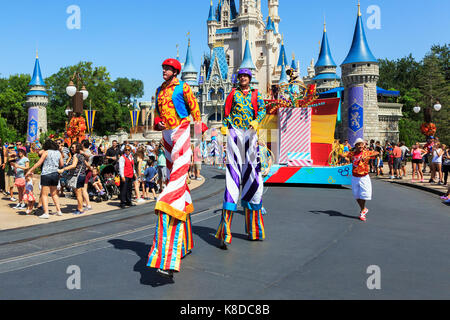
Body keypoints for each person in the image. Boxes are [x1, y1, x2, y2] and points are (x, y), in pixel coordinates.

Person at [146, 58, 202, 279]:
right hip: (166, 135)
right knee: (176, 183)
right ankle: (186, 242)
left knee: (172, 191)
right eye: (163, 68)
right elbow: (158, 113)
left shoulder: (183, 87)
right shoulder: (159, 90)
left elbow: (195, 110)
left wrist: (196, 140)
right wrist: (158, 123)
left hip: (181, 130)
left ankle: (168, 256)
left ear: (175, 71)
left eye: (167, 69)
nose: (164, 71)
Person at [215, 68, 267, 250]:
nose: (243, 78)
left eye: (246, 76)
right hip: (235, 134)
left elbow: (262, 110)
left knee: (253, 179)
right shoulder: (233, 94)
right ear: (238, 78)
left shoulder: (255, 94)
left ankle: (254, 230)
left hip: (251, 134)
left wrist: (257, 121)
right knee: (232, 179)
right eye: (241, 76)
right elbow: (227, 112)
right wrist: (224, 125)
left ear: (249, 79)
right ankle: (224, 232)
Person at [342, 138, 379, 222]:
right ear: (355, 146)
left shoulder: (366, 152)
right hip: (355, 176)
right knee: (356, 195)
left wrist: (367, 156)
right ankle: (363, 209)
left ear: (364, 145)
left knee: (364, 194)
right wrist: (341, 154)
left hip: (364, 176)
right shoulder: (352, 153)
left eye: (361, 144)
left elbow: (377, 153)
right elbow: (344, 154)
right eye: (358, 145)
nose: (360, 146)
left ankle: (362, 211)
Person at [27, 139, 64, 218]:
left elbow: (39, 163)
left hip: (46, 174)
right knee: (54, 194)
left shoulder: (46, 152)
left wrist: (30, 170)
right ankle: (59, 211)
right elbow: (62, 164)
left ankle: (46, 213)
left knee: (44, 195)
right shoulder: (58, 153)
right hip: (55, 174)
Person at [58, 142, 87, 215]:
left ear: (77, 148)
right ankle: (80, 208)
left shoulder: (75, 156)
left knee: (78, 194)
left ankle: (80, 209)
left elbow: (73, 165)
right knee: (79, 193)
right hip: (82, 175)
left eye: (73, 147)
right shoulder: (82, 155)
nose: (71, 148)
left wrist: (64, 169)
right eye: (71, 147)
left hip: (77, 176)